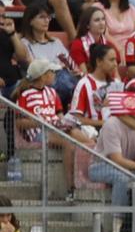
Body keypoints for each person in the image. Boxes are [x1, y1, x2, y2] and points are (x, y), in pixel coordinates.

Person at [16, 59, 84, 201]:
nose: (55, 75)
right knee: (68, 142)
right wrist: (39, 122)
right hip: (39, 133)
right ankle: (71, 189)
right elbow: (19, 122)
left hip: (55, 129)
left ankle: (85, 180)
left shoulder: (52, 92)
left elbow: (59, 115)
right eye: (52, 72)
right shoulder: (25, 95)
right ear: (43, 76)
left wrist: (64, 124)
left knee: (80, 135)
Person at [68, 5, 115, 73]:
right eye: (97, 20)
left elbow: (114, 72)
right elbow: (84, 73)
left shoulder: (108, 44)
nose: (101, 23)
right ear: (87, 25)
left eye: (103, 19)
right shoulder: (78, 44)